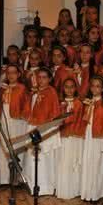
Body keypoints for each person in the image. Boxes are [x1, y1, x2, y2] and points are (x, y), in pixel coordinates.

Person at [23, 67, 61, 195]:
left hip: (45, 128)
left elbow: (54, 112)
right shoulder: (34, 92)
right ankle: (32, 184)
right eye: (39, 77)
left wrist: (50, 129)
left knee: (44, 158)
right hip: (33, 126)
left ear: (50, 79)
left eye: (44, 77)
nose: (41, 80)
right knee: (31, 157)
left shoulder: (51, 92)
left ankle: (45, 187)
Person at [0, 64, 28, 185]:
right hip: (3, 119)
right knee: (4, 148)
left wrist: (23, 116)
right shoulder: (2, 88)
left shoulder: (22, 88)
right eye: (8, 73)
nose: (11, 75)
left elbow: (26, 106)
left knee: (17, 147)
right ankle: (5, 179)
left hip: (17, 122)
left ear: (18, 74)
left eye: (13, 72)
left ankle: (17, 179)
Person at [80, 75, 103, 202]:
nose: (95, 88)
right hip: (88, 137)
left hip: (99, 139)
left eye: (98, 86)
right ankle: (86, 193)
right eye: (93, 86)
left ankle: (95, 194)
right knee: (88, 164)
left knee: (97, 166)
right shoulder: (88, 103)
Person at [56, 78, 84, 199]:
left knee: (74, 162)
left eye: (72, 86)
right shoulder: (60, 103)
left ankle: (74, 189)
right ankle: (64, 189)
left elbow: (81, 120)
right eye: (66, 87)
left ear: (76, 88)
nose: (69, 89)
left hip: (75, 137)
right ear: (63, 89)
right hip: (63, 137)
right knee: (63, 162)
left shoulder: (79, 103)